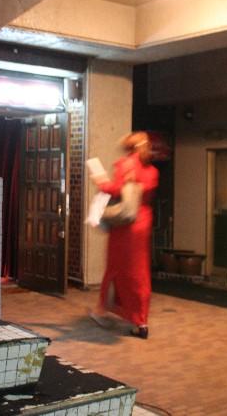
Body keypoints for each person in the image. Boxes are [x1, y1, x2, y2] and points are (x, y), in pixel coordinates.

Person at [90, 132, 159, 339]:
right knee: (139, 272)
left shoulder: (126, 164)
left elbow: (114, 189)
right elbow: (144, 191)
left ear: (129, 148)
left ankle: (102, 309)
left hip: (124, 226)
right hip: (143, 222)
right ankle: (141, 321)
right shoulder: (152, 171)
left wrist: (99, 180)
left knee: (115, 268)